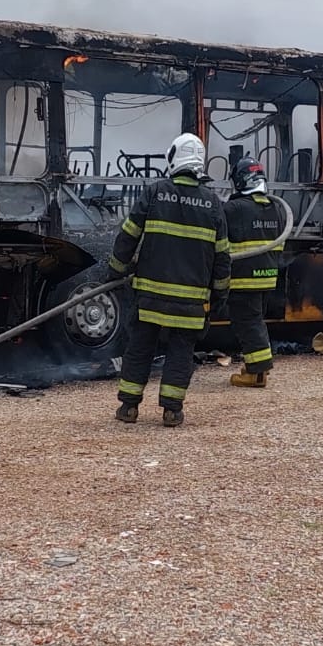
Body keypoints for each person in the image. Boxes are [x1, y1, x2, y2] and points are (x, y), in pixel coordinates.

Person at [106, 133, 229, 426]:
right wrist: (219, 296)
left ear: (173, 158)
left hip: (149, 296)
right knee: (181, 352)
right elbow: (223, 257)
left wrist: (116, 269)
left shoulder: (155, 192)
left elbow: (128, 235)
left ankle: (129, 408)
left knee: (140, 347)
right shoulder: (213, 203)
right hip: (190, 303)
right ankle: (172, 410)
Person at [223, 155, 285, 388]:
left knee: (247, 323)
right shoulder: (275, 208)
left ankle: (257, 373)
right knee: (255, 321)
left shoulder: (235, 208)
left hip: (242, 277)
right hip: (267, 276)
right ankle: (257, 366)